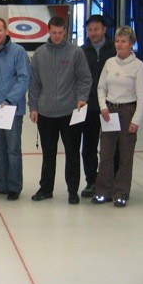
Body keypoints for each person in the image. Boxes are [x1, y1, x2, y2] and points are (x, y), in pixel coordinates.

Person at [28, 15, 92, 205]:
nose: (57, 36)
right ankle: (46, 189)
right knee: (48, 155)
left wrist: (82, 98)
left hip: (70, 113)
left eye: (60, 32)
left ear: (65, 32)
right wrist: (33, 107)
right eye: (54, 32)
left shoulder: (75, 52)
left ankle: (73, 191)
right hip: (46, 113)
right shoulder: (39, 54)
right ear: (48, 31)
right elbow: (34, 84)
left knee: (72, 153)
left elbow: (84, 78)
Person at [91, 26, 143, 208]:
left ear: (131, 44)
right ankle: (103, 191)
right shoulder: (109, 63)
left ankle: (121, 193)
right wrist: (103, 107)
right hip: (110, 112)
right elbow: (101, 87)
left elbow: (142, 97)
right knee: (106, 153)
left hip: (127, 111)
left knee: (125, 154)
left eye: (123, 41)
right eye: (117, 41)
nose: (119, 44)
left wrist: (135, 120)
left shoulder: (138, 66)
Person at [0, 18, 31, 201]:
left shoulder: (18, 52)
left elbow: (24, 78)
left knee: (12, 149)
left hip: (11, 109)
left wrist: (10, 99)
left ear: (6, 31)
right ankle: (1, 185)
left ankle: (14, 187)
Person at [80, 14, 116, 198]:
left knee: (112, 147)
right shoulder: (81, 51)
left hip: (112, 107)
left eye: (96, 29)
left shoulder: (115, 49)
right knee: (89, 147)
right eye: (90, 30)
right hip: (89, 107)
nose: (93, 33)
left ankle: (111, 181)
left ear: (104, 30)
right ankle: (92, 181)